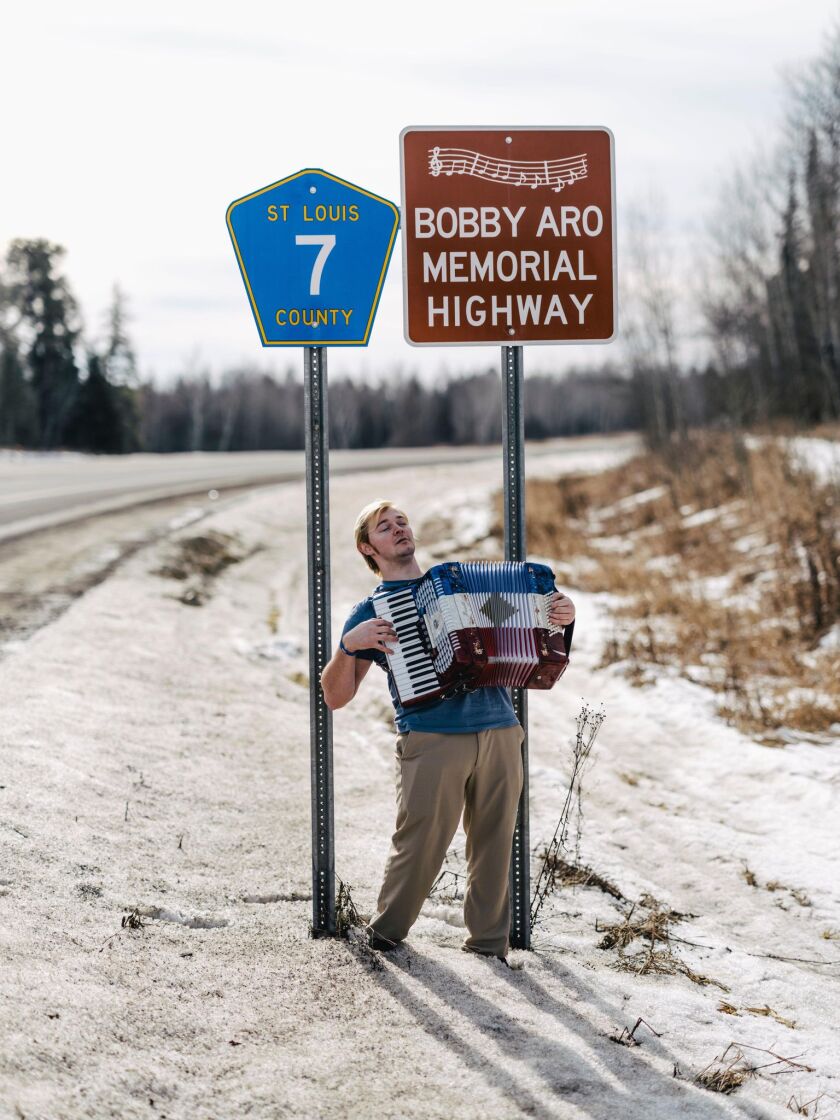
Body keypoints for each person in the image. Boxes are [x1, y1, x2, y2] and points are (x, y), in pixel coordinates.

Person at [320, 499, 575, 961]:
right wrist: (348, 647)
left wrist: (559, 615)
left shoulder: (460, 590)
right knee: (419, 845)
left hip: (500, 729)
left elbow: (522, 626)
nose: (399, 529)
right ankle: (384, 938)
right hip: (432, 736)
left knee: (495, 847)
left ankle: (489, 947)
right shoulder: (372, 612)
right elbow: (335, 697)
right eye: (384, 527)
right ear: (367, 548)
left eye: (402, 521)